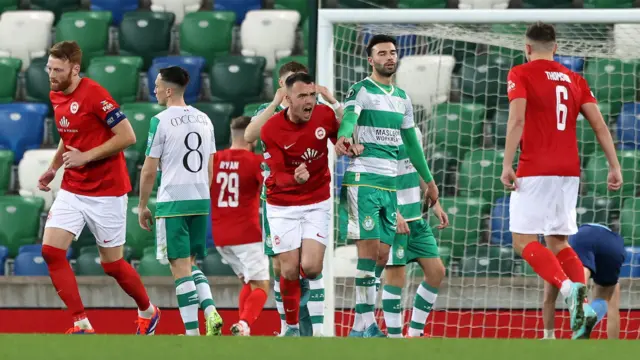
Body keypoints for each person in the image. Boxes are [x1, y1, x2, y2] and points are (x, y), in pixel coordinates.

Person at [500, 22, 623, 337]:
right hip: (570, 170)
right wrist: (614, 165)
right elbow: (599, 125)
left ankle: (568, 289)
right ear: (556, 48)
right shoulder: (574, 78)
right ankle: (581, 306)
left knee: (522, 240)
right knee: (559, 242)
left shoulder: (520, 73)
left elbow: (516, 118)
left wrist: (507, 163)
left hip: (535, 167)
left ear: (527, 48)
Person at [39, 40, 159, 335]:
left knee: (113, 266)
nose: (52, 75)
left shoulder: (94, 94)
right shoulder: (56, 93)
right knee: (51, 252)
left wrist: (86, 156)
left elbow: (128, 136)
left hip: (107, 191)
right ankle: (81, 323)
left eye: (58, 69)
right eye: (49, 69)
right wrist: (55, 167)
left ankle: (148, 310)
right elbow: (68, 133)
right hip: (72, 189)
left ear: (75, 69)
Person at [335, 34, 438, 337]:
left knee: (381, 255)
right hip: (364, 180)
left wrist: (429, 182)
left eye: (393, 53)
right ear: (371, 59)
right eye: (382, 53)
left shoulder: (402, 98)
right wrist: (345, 135)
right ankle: (364, 325)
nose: (389, 57)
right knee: (370, 255)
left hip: (389, 185)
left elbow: (412, 145)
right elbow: (350, 117)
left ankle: (360, 325)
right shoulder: (362, 89)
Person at [245, 61, 341, 336]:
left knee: (310, 267)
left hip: (316, 200)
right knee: (285, 270)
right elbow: (253, 138)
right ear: (284, 92)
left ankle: (318, 329)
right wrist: (293, 178)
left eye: (312, 94)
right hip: (280, 201)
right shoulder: (268, 120)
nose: (309, 100)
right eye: (301, 94)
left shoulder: (322, 115)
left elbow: (342, 129)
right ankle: (290, 327)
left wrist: (346, 141)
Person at [138, 66, 222, 336]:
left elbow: (149, 169)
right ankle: (210, 310)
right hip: (199, 200)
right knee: (191, 264)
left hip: (173, 202)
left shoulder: (160, 121)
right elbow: (210, 168)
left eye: (157, 85)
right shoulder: (205, 120)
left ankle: (192, 334)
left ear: (169, 90)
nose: (154, 89)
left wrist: (141, 206)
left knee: (179, 270)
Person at [210, 116, 269, 336]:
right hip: (246, 234)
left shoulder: (215, 160)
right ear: (251, 137)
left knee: (248, 280)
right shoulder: (255, 162)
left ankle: (241, 325)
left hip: (220, 237)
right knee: (262, 285)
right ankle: (244, 324)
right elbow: (270, 189)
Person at [542, 223, 624, 340]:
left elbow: (548, 300)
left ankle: (578, 329)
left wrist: (549, 336)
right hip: (614, 243)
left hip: (583, 237)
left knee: (577, 289)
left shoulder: (554, 252)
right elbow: (614, 309)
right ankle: (613, 348)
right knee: (607, 299)